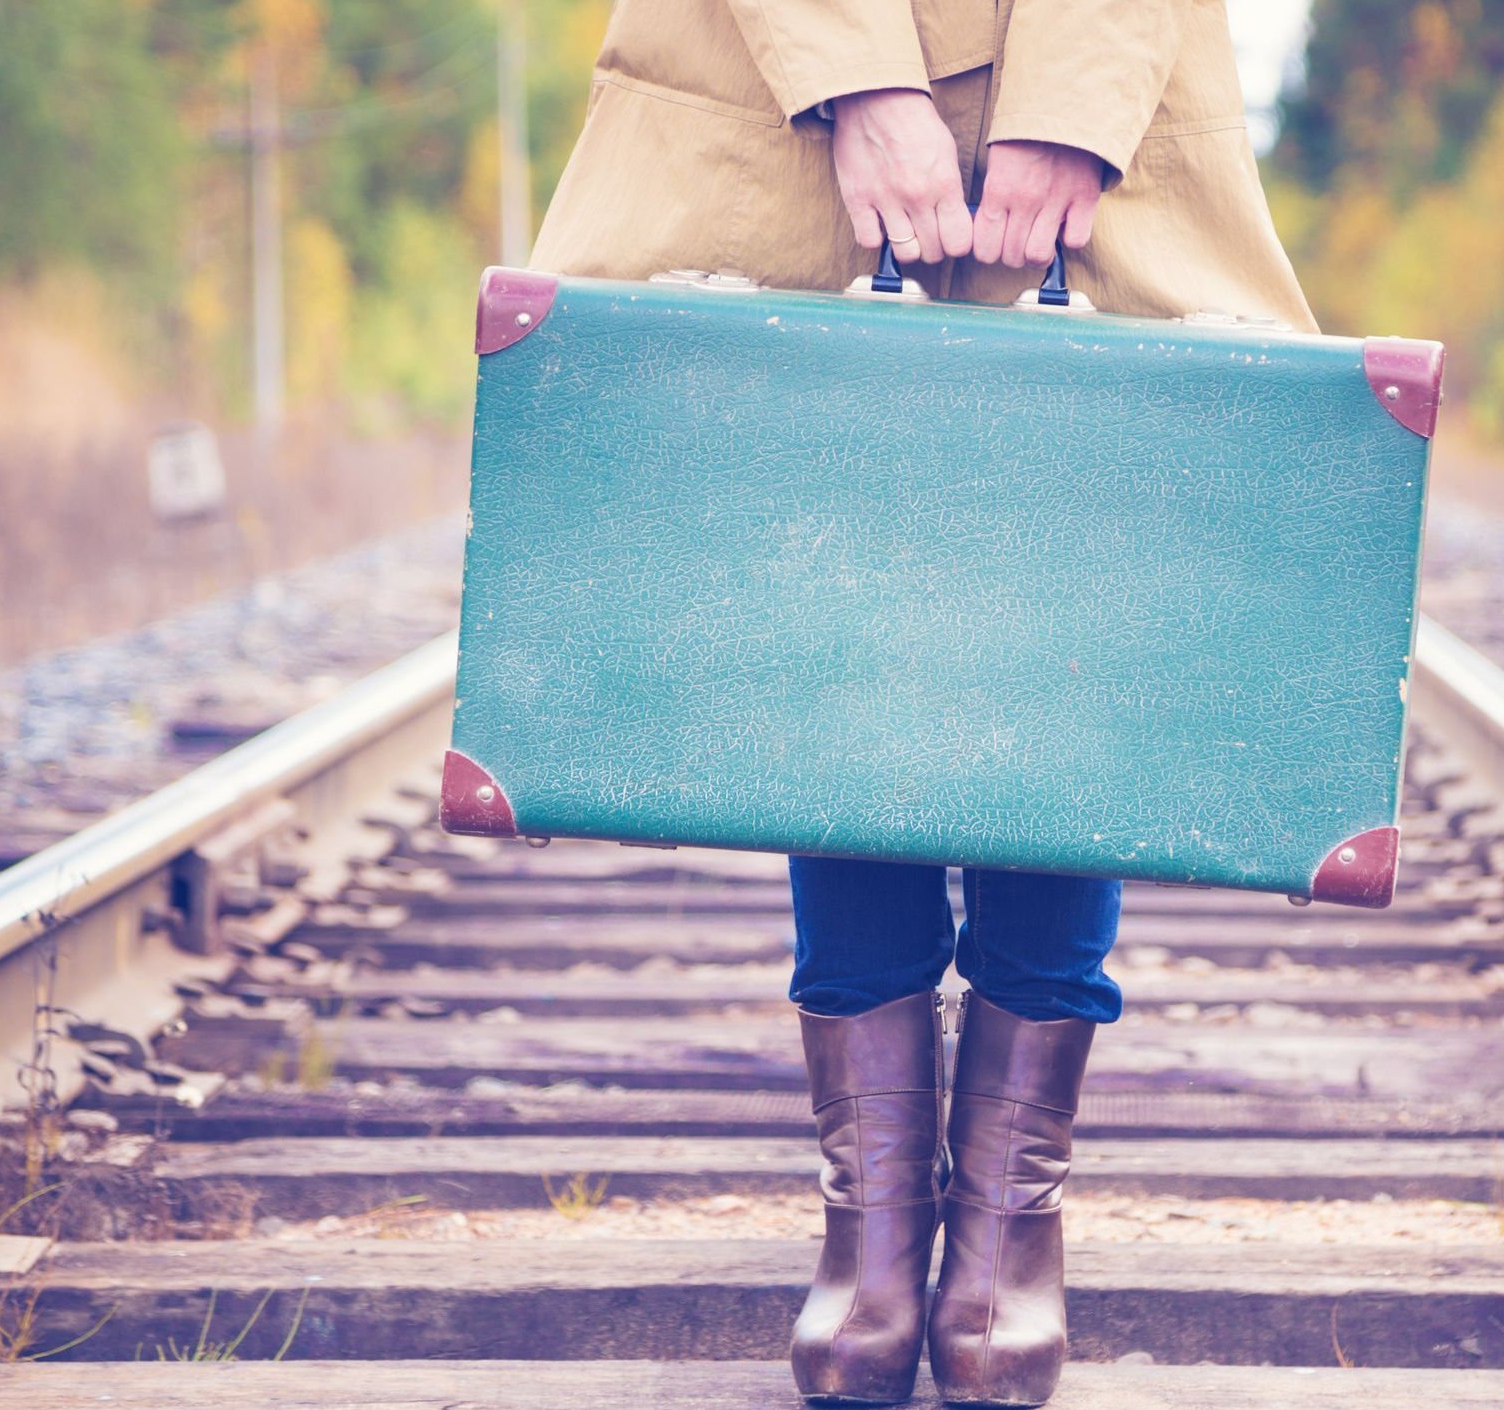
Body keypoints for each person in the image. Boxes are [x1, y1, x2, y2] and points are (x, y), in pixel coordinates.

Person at [526, 2, 1315, 1404]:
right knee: (834, 602)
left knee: (1078, 592)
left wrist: (1075, 98)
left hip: (1092, 100)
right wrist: (855, 79)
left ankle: (1010, 1218)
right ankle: (874, 1222)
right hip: (784, 92)